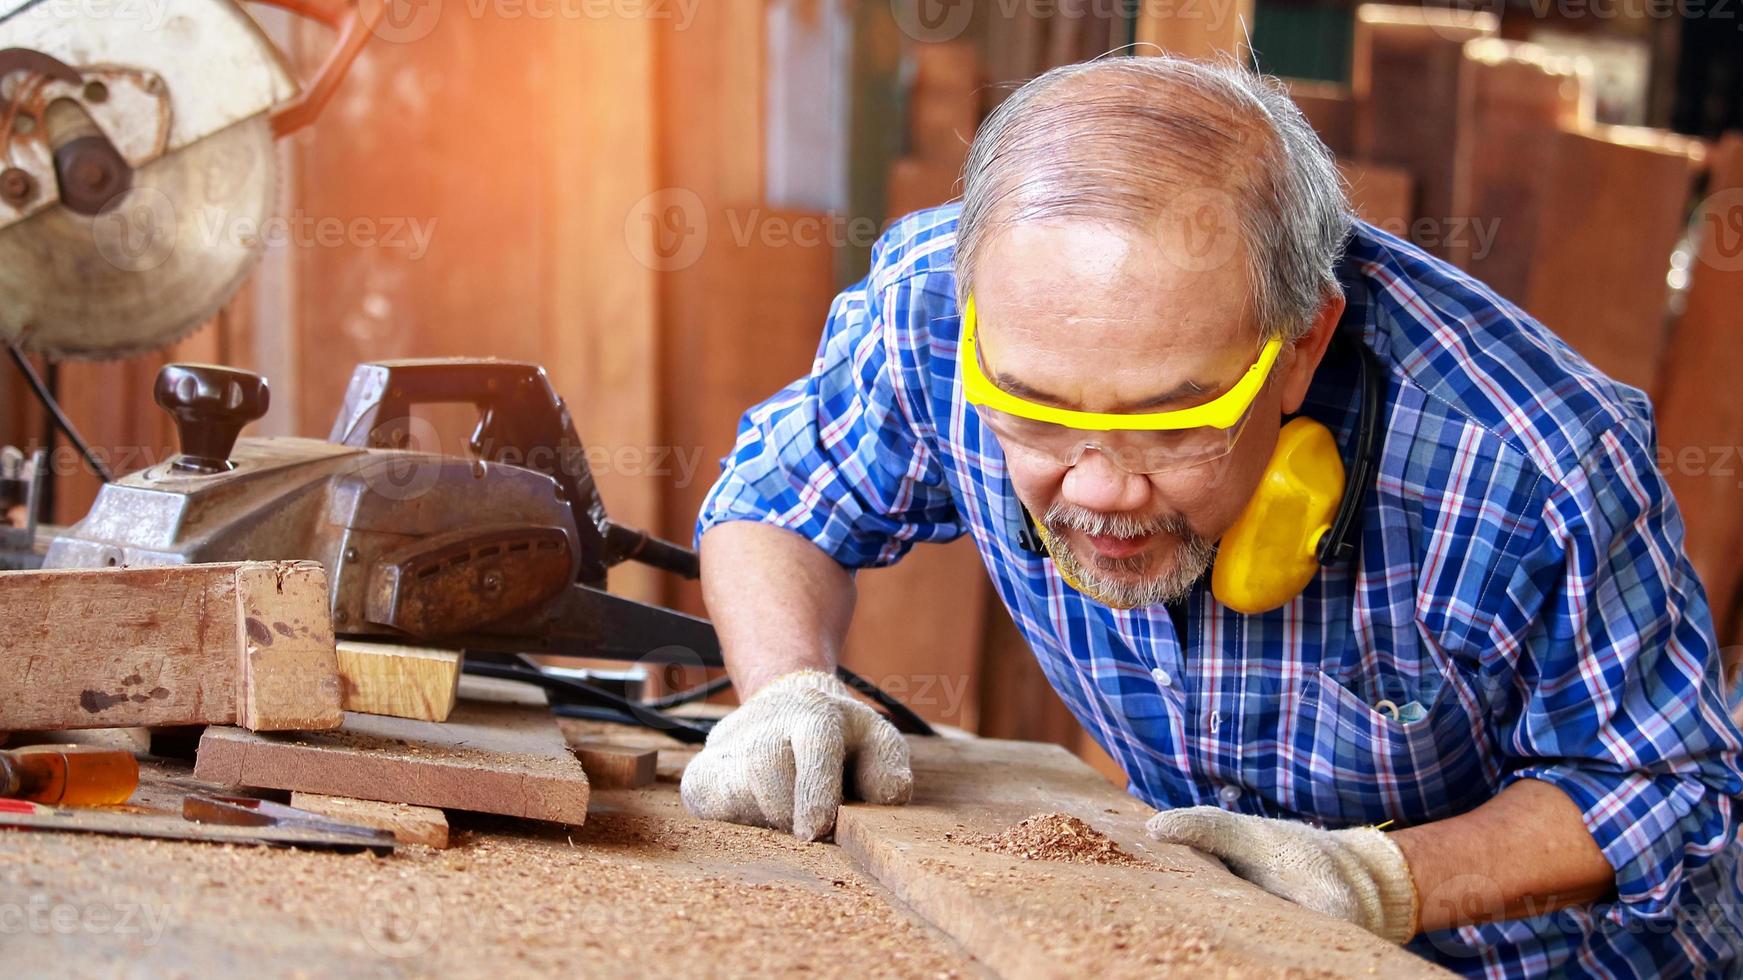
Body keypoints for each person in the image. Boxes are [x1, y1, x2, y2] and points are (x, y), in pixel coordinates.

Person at [677, 55, 1743, 975]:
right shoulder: (937, 311)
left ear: (1303, 345)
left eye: (1169, 420)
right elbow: (778, 498)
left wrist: (1380, 879)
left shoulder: (1531, 460)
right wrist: (787, 692)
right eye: (1036, 416)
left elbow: (1662, 786)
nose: (1097, 488)